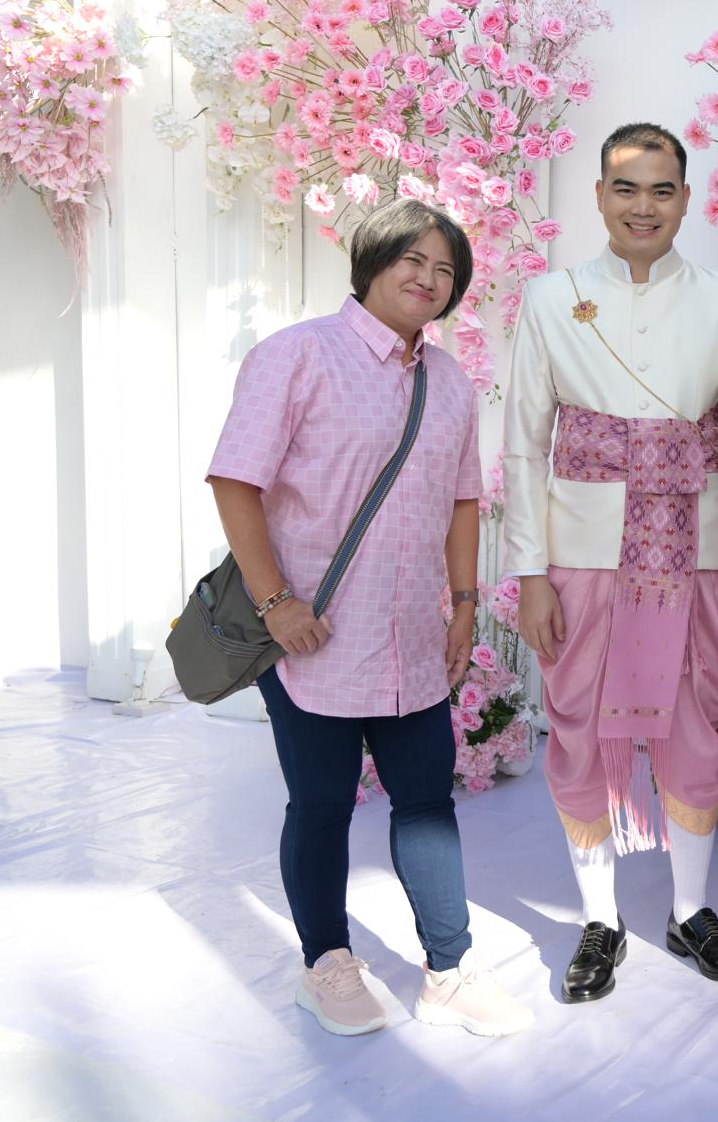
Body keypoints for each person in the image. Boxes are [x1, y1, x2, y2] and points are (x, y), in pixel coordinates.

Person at [206, 199, 533, 1039]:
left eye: (446, 269)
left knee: (426, 802)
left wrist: (464, 605)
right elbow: (236, 479)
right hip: (310, 638)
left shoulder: (449, 382)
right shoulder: (297, 355)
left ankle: (450, 969)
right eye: (412, 259)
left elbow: (463, 500)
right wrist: (277, 602)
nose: (428, 278)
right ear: (372, 261)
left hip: (411, 637)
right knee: (320, 804)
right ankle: (326, 962)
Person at [503, 121, 718, 1004]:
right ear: (599, 196)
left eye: (661, 189)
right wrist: (530, 573)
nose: (642, 206)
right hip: (583, 552)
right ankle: (599, 919)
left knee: (698, 728)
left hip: (699, 551)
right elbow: (524, 443)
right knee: (579, 727)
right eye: (625, 187)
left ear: (686, 199)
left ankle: (690, 909)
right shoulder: (552, 297)